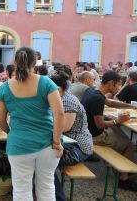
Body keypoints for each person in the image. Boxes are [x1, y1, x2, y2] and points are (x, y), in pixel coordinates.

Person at [0, 47, 64, 200]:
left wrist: (11, 133)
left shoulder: (5, 87)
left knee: (21, 190)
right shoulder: (46, 82)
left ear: (15, 62)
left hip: (19, 144)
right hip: (47, 143)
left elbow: (0, 119)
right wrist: (57, 141)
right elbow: (59, 113)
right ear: (35, 63)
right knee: (46, 186)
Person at [81, 71, 137, 190]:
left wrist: (131, 106)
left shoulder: (92, 91)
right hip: (94, 136)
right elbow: (100, 124)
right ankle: (124, 179)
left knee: (118, 131)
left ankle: (124, 166)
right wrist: (119, 120)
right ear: (111, 83)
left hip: (86, 131)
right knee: (129, 145)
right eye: (119, 84)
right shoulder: (97, 98)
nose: (119, 87)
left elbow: (110, 103)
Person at [50, 71, 93, 201]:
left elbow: (64, 128)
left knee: (43, 162)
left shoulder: (68, 100)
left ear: (58, 89)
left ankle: (57, 198)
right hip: (65, 143)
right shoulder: (58, 98)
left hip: (78, 146)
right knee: (38, 159)